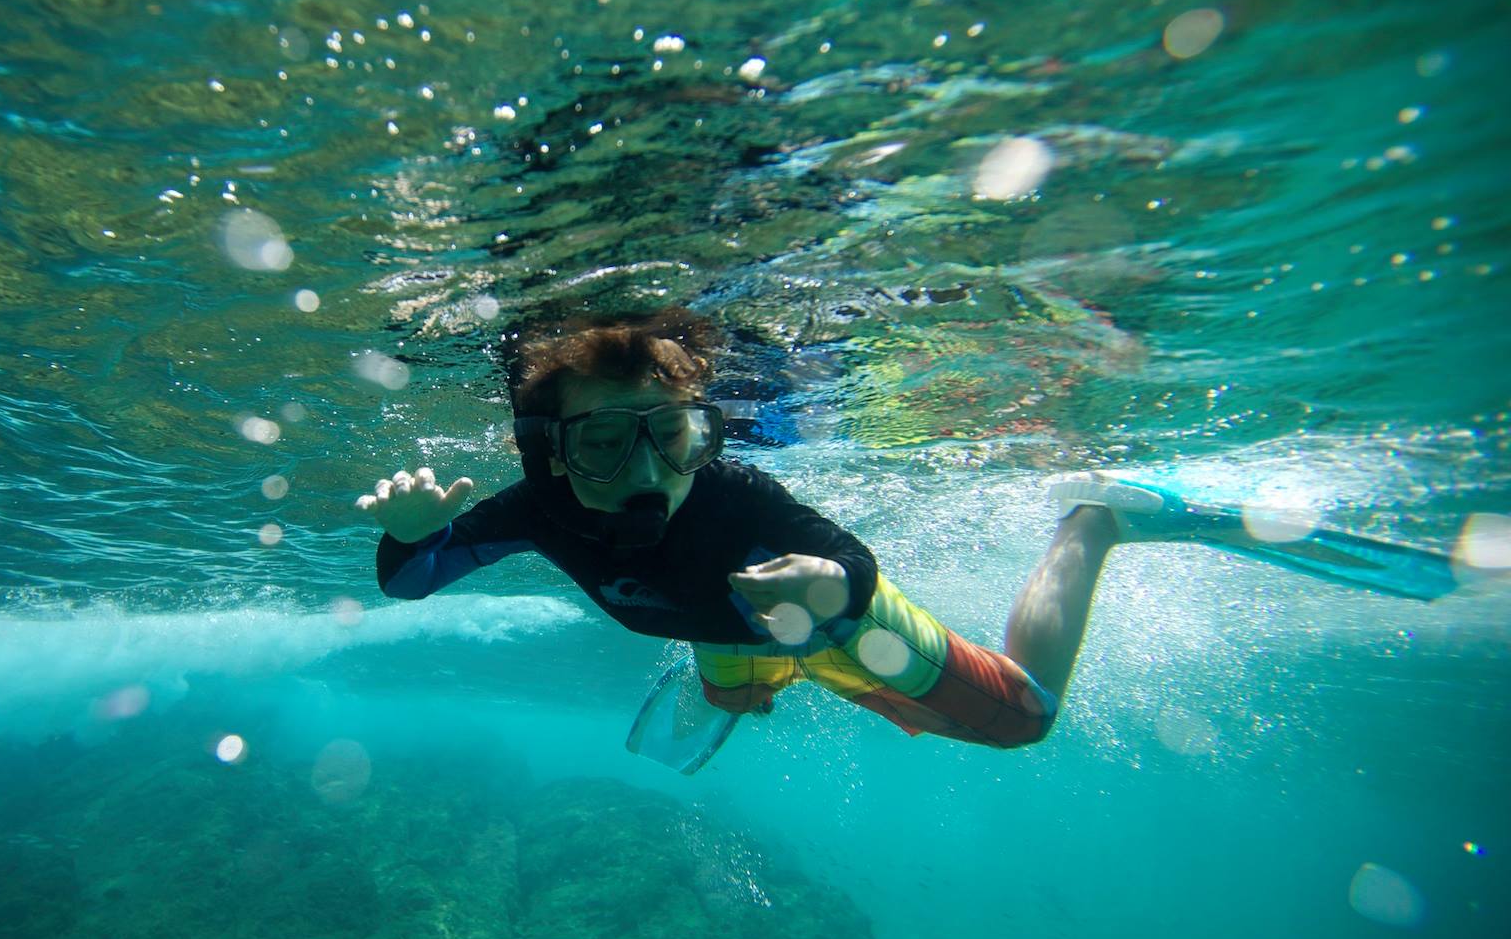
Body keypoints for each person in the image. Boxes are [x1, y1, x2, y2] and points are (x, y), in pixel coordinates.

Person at [352, 307, 1451, 749]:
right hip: (734, 622)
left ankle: (1099, 521)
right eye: (600, 444)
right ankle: (724, 674)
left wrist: (833, 597)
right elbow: (405, 587)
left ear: (703, 429)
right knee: (738, 677)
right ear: (548, 450)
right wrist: (406, 538)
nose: (645, 470)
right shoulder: (532, 507)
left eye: (669, 435)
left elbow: (848, 560)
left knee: (1019, 719)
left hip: (816, 621)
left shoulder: (739, 500)